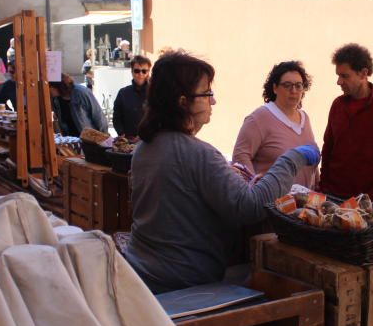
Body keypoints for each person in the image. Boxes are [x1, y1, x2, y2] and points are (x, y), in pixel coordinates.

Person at [123, 50, 319, 292]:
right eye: (207, 94)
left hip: (145, 269)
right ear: (183, 102)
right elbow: (251, 207)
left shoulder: (146, 145)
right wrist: (291, 159)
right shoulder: (199, 153)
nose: (213, 101)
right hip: (184, 280)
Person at [320, 43, 373, 200]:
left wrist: (372, 198)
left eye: (344, 76)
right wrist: (323, 187)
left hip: (366, 202)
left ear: (363, 73)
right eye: (338, 75)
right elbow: (328, 148)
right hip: (332, 195)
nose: (339, 81)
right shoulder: (337, 105)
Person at [233, 60, 319, 189]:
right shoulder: (259, 117)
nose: (294, 90)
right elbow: (241, 156)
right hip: (271, 205)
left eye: (298, 85)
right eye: (287, 85)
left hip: (302, 204)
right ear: (275, 88)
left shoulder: (305, 118)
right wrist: (257, 190)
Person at [112, 56, 151, 137]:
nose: (140, 74)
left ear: (148, 72)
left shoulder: (154, 94)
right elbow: (116, 118)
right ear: (132, 71)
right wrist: (122, 134)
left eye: (144, 71)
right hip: (128, 142)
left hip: (149, 142)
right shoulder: (123, 93)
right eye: (137, 71)